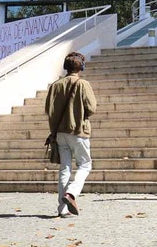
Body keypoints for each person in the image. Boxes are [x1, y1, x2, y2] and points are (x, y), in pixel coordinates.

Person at [45, 51, 96, 217]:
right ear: (81, 67)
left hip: (60, 132)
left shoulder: (55, 85)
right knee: (85, 165)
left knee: (64, 169)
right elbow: (91, 108)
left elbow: (49, 111)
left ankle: (62, 208)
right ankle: (72, 193)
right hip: (79, 130)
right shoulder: (83, 84)